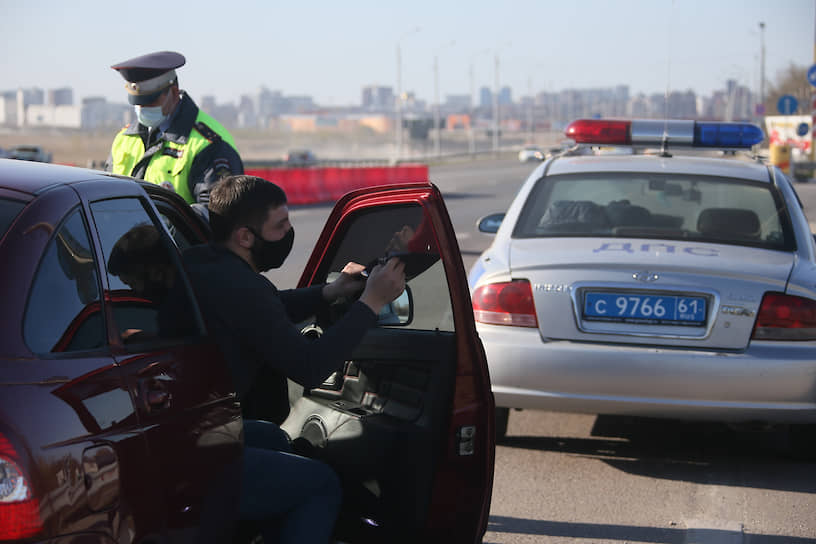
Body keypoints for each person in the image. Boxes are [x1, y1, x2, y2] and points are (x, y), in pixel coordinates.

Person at [180, 174, 406, 543]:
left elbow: (268, 307)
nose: (289, 232)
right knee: (320, 485)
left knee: (272, 436)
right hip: (196, 455)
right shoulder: (243, 287)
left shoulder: (204, 264)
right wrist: (372, 302)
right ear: (245, 237)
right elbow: (310, 366)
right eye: (280, 225)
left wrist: (329, 292)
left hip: (182, 434)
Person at [105, 51, 243, 204]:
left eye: (150, 101)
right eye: (138, 103)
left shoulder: (208, 143)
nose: (143, 108)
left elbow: (215, 212)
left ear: (173, 92)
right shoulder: (124, 138)